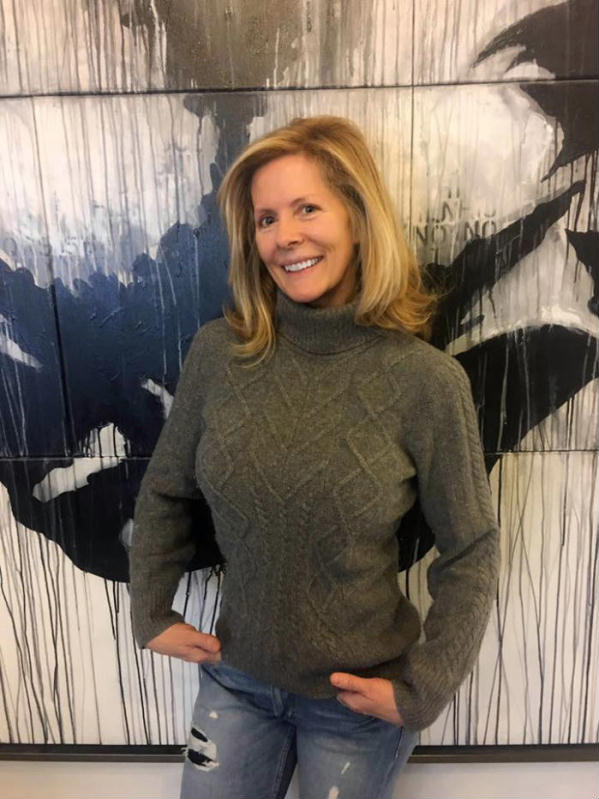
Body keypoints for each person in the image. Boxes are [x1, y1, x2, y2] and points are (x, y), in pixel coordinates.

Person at [129, 115, 500, 799]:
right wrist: (150, 609)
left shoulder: (425, 382)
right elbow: (165, 491)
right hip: (236, 679)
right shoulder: (219, 354)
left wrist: (426, 686)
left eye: (307, 208)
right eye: (266, 219)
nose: (285, 236)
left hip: (356, 703)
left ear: (357, 217)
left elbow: (471, 546)